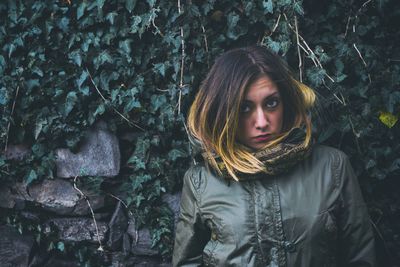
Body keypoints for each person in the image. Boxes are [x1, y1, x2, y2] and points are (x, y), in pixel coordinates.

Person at [172, 46, 376, 266]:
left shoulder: (331, 167)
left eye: (271, 103)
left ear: (286, 102)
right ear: (224, 111)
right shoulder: (201, 182)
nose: (261, 122)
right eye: (244, 108)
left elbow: (360, 257)